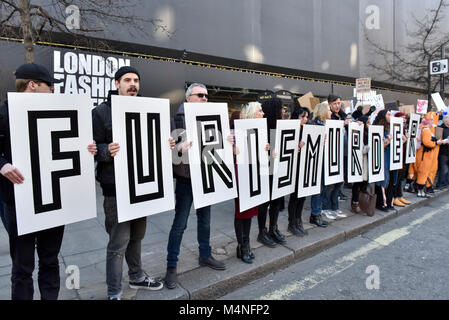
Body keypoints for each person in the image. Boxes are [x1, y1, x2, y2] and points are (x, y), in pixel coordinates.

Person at [92, 66, 167, 300]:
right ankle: (114, 293)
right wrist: (106, 150)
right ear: (117, 84)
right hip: (116, 189)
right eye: (127, 80)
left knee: (137, 237)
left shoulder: (149, 110)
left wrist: (168, 145)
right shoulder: (101, 112)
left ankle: (136, 276)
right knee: (118, 244)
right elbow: (92, 148)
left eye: (136, 80)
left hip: (143, 186)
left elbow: (154, 144)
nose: (132, 84)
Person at [0, 63, 65, 299]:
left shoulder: (57, 111)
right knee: (22, 266)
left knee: (50, 260)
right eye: (50, 86)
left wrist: (85, 148)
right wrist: (2, 165)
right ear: (33, 85)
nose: (53, 91)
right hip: (19, 202)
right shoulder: (4, 112)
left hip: (52, 199)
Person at [165, 83, 226, 289]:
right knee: (179, 224)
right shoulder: (176, 120)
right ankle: (171, 267)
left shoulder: (211, 119)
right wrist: (179, 149)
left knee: (205, 222)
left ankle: (205, 255)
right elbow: (168, 153)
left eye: (206, 96)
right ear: (188, 98)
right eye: (200, 95)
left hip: (205, 178)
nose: (204, 99)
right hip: (186, 180)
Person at [231, 103, 267, 263]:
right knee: (242, 212)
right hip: (241, 177)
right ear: (252, 113)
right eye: (260, 111)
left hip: (254, 176)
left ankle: (245, 245)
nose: (263, 113)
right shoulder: (237, 131)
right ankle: (242, 245)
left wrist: (266, 149)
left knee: (250, 212)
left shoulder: (260, 131)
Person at [257, 98, 287, 247]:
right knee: (265, 202)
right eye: (281, 108)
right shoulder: (262, 128)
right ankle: (262, 232)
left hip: (278, 168)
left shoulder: (280, 126)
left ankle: (273, 228)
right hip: (266, 170)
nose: (283, 111)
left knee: (276, 200)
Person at [287, 106, 309, 236]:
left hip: (305, 167)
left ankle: (298, 220)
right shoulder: (292, 130)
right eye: (303, 116)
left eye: (306, 117)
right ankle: (292, 223)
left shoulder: (307, 130)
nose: (305, 119)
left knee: (302, 195)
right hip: (295, 168)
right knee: (294, 196)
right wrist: (297, 147)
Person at [309, 102, 331, 227]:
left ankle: (318, 213)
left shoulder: (329, 125)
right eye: (329, 110)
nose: (331, 112)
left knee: (323, 187)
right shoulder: (314, 125)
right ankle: (315, 214)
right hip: (317, 162)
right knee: (318, 188)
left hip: (325, 161)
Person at [327, 94, 349, 205]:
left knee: (340, 181)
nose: (337, 106)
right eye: (334, 103)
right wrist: (341, 125)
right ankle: (327, 206)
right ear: (330, 104)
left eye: (339, 103)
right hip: (333, 154)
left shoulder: (343, 116)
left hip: (343, 153)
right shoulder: (329, 116)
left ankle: (334, 206)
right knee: (331, 184)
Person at [372, 109, 393, 211]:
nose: (390, 116)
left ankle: (382, 202)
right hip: (381, 157)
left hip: (387, 156)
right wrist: (388, 140)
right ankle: (381, 203)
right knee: (381, 179)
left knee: (385, 178)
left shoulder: (388, 128)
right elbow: (379, 145)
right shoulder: (378, 128)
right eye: (388, 114)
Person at [349, 115, 370, 213]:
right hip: (359, 162)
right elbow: (359, 150)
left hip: (366, 163)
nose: (369, 125)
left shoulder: (369, 133)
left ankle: (362, 201)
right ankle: (355, 202)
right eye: (368, 123)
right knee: (357, 183)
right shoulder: (359, 132)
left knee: (364, 183)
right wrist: (369, 147)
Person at [436, 115, 449, 189]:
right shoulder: (440, 128)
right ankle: (441, 184)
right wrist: (444, 141)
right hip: (443, 151)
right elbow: (438, 139)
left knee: (447, 168)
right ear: (446, 121)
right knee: (443, 168)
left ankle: (446, 183)